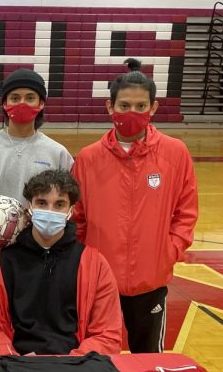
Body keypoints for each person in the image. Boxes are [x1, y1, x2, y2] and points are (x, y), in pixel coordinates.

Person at [72, 70, 198, 353]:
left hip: (150, 281)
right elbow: (77, 217)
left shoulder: (175, 153)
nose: (132, 112)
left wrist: (169, 252)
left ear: (153, 107)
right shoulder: (89, 158)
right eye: (124, 105)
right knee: (96, 357)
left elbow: (186, 212)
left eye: (141, 106)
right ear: (110, 107)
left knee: (150, 361)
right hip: (100, 282)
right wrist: (83, 261)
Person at [0, 68, 73, 356]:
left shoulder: (57, 154)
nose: (23, 103)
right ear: (4, 104)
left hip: (37, 260)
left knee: (28, 333)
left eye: (31, 97)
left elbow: (69, 204)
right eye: (15, 97)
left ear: (41, 103)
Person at [0, 169, 122, 356]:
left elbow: (107, 334)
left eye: (59, 204)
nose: (50, 211)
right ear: (29, 207)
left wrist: (68, 365)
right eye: (42, 203)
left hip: (75, 368)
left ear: (71, 210)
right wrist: (13, 361)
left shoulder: (95, 265)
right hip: (17, 367)